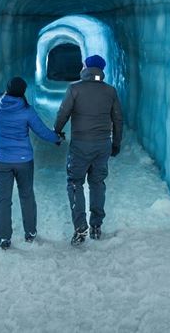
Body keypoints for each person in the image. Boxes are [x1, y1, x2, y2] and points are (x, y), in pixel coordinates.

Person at [54, 54, 123, 246]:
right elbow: (118, 118)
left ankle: (80, 226)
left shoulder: (75, 89)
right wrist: (116, 143)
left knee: (75, 182)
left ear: (86, 67)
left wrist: (57, 132)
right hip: (102, 145)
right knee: (97, 183)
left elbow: (63, 113)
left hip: (80, 145)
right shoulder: (110, 91)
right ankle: (96, 225)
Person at [0, 76, 61, 250]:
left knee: (3, 199)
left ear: (7, 89)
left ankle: (4, 237)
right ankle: (30, 232)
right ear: (23, 92)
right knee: (26, 195)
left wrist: (1, 94)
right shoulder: (27, 110)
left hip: (2, 160)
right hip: (23, 160)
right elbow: (41, 130)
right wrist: (56, 138)